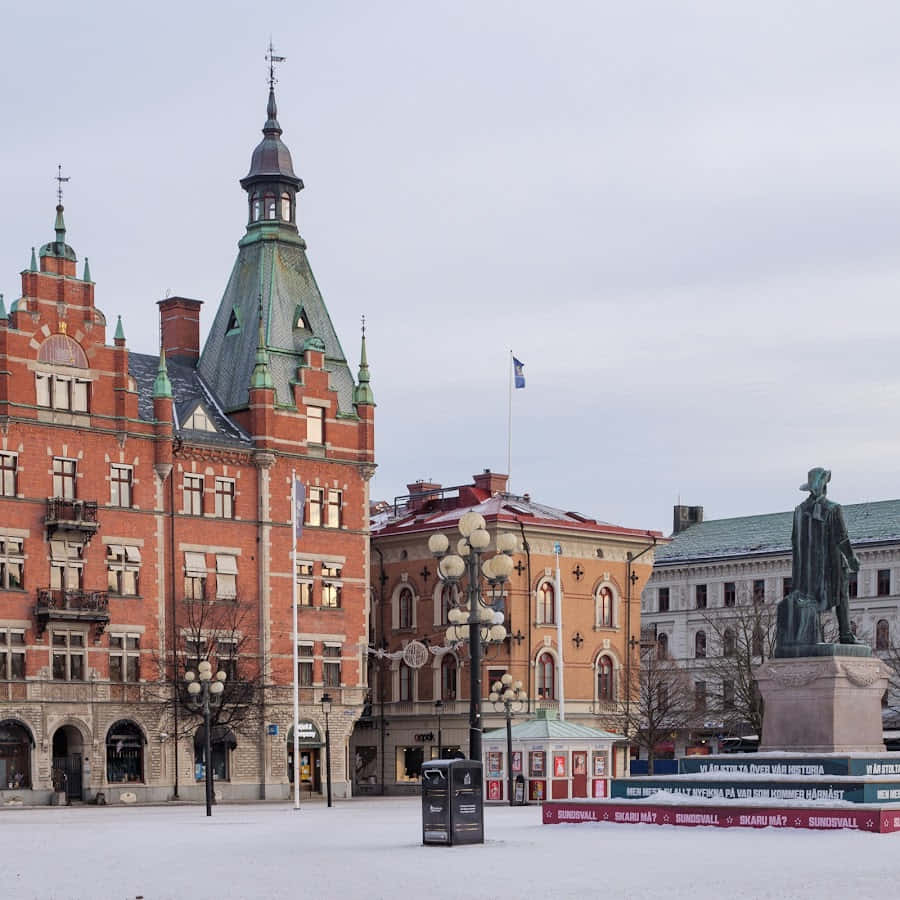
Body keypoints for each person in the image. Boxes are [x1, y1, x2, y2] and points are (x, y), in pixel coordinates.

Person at [791, 467, 859, 644]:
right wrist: (852, 559)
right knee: (842, 595)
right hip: (831, 564)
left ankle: (809, 636)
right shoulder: (832, 508)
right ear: (824, 486)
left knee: (810, 599)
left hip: (806, 568)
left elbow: (794, 540)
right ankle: (845, 634)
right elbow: (842, 538)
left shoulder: (799, 511)